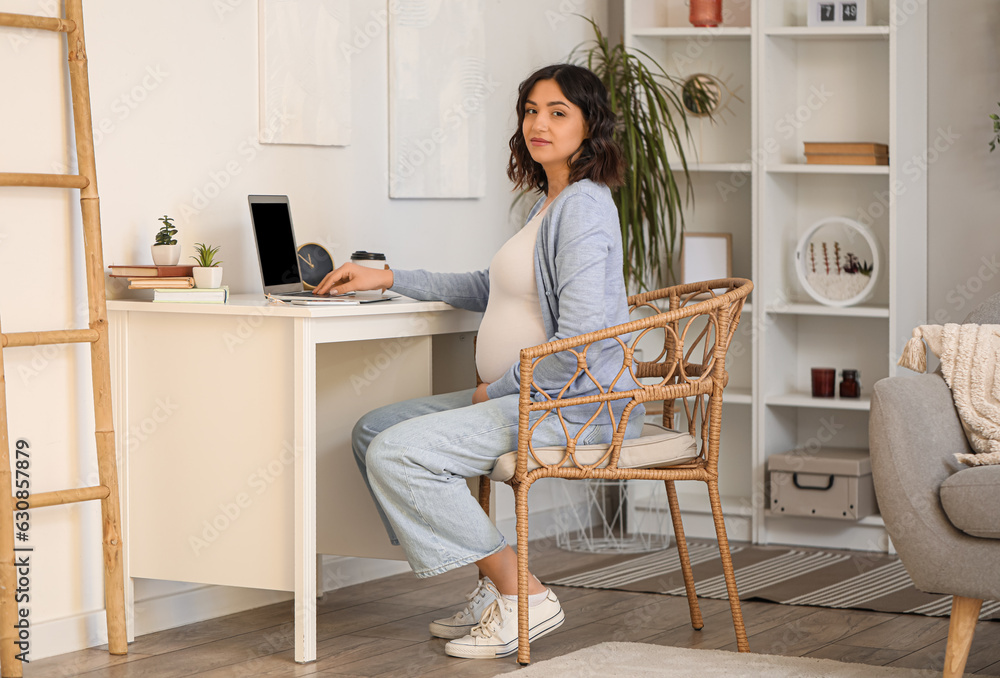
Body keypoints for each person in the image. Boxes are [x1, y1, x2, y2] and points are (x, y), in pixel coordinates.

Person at [314, 63, 645, 660]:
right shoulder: (548, 204)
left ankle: (525, 594)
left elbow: (583, 337)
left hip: (570, 407)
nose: (538, 123)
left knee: (399, 452)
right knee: (374, 431)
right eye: (530, 110)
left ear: (590, 125)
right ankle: (495, 584)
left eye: (557, 112)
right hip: (524, 397)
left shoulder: (585, 208)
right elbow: (486, 286)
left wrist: (496, 391)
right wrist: (388, 276)